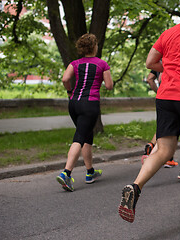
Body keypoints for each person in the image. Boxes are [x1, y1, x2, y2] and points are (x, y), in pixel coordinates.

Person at [118, 0, 180, 223]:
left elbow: (150, 62)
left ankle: (135, 186)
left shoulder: (169, 32)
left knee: (163, 149)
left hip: (165, 97)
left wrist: (173, 66)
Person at [56, 33, 113, 192]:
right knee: (80, 137)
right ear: (95, 47)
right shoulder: (102, 64)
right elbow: (109, 86)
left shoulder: (74, 63)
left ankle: (90, 172)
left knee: (86, 134)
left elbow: (65, 79)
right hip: (90, 104)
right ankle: (66, 173)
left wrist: (69, 92)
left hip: (74, 103)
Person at [143, 70, 179, 168]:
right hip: (174, 96)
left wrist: (158, 92)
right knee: (172, 128)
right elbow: (161, 78)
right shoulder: (170, 59)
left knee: (164, 126)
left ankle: (151, 145)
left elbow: (150, 79)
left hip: (162, 97)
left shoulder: (158, 60)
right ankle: (168, 158)